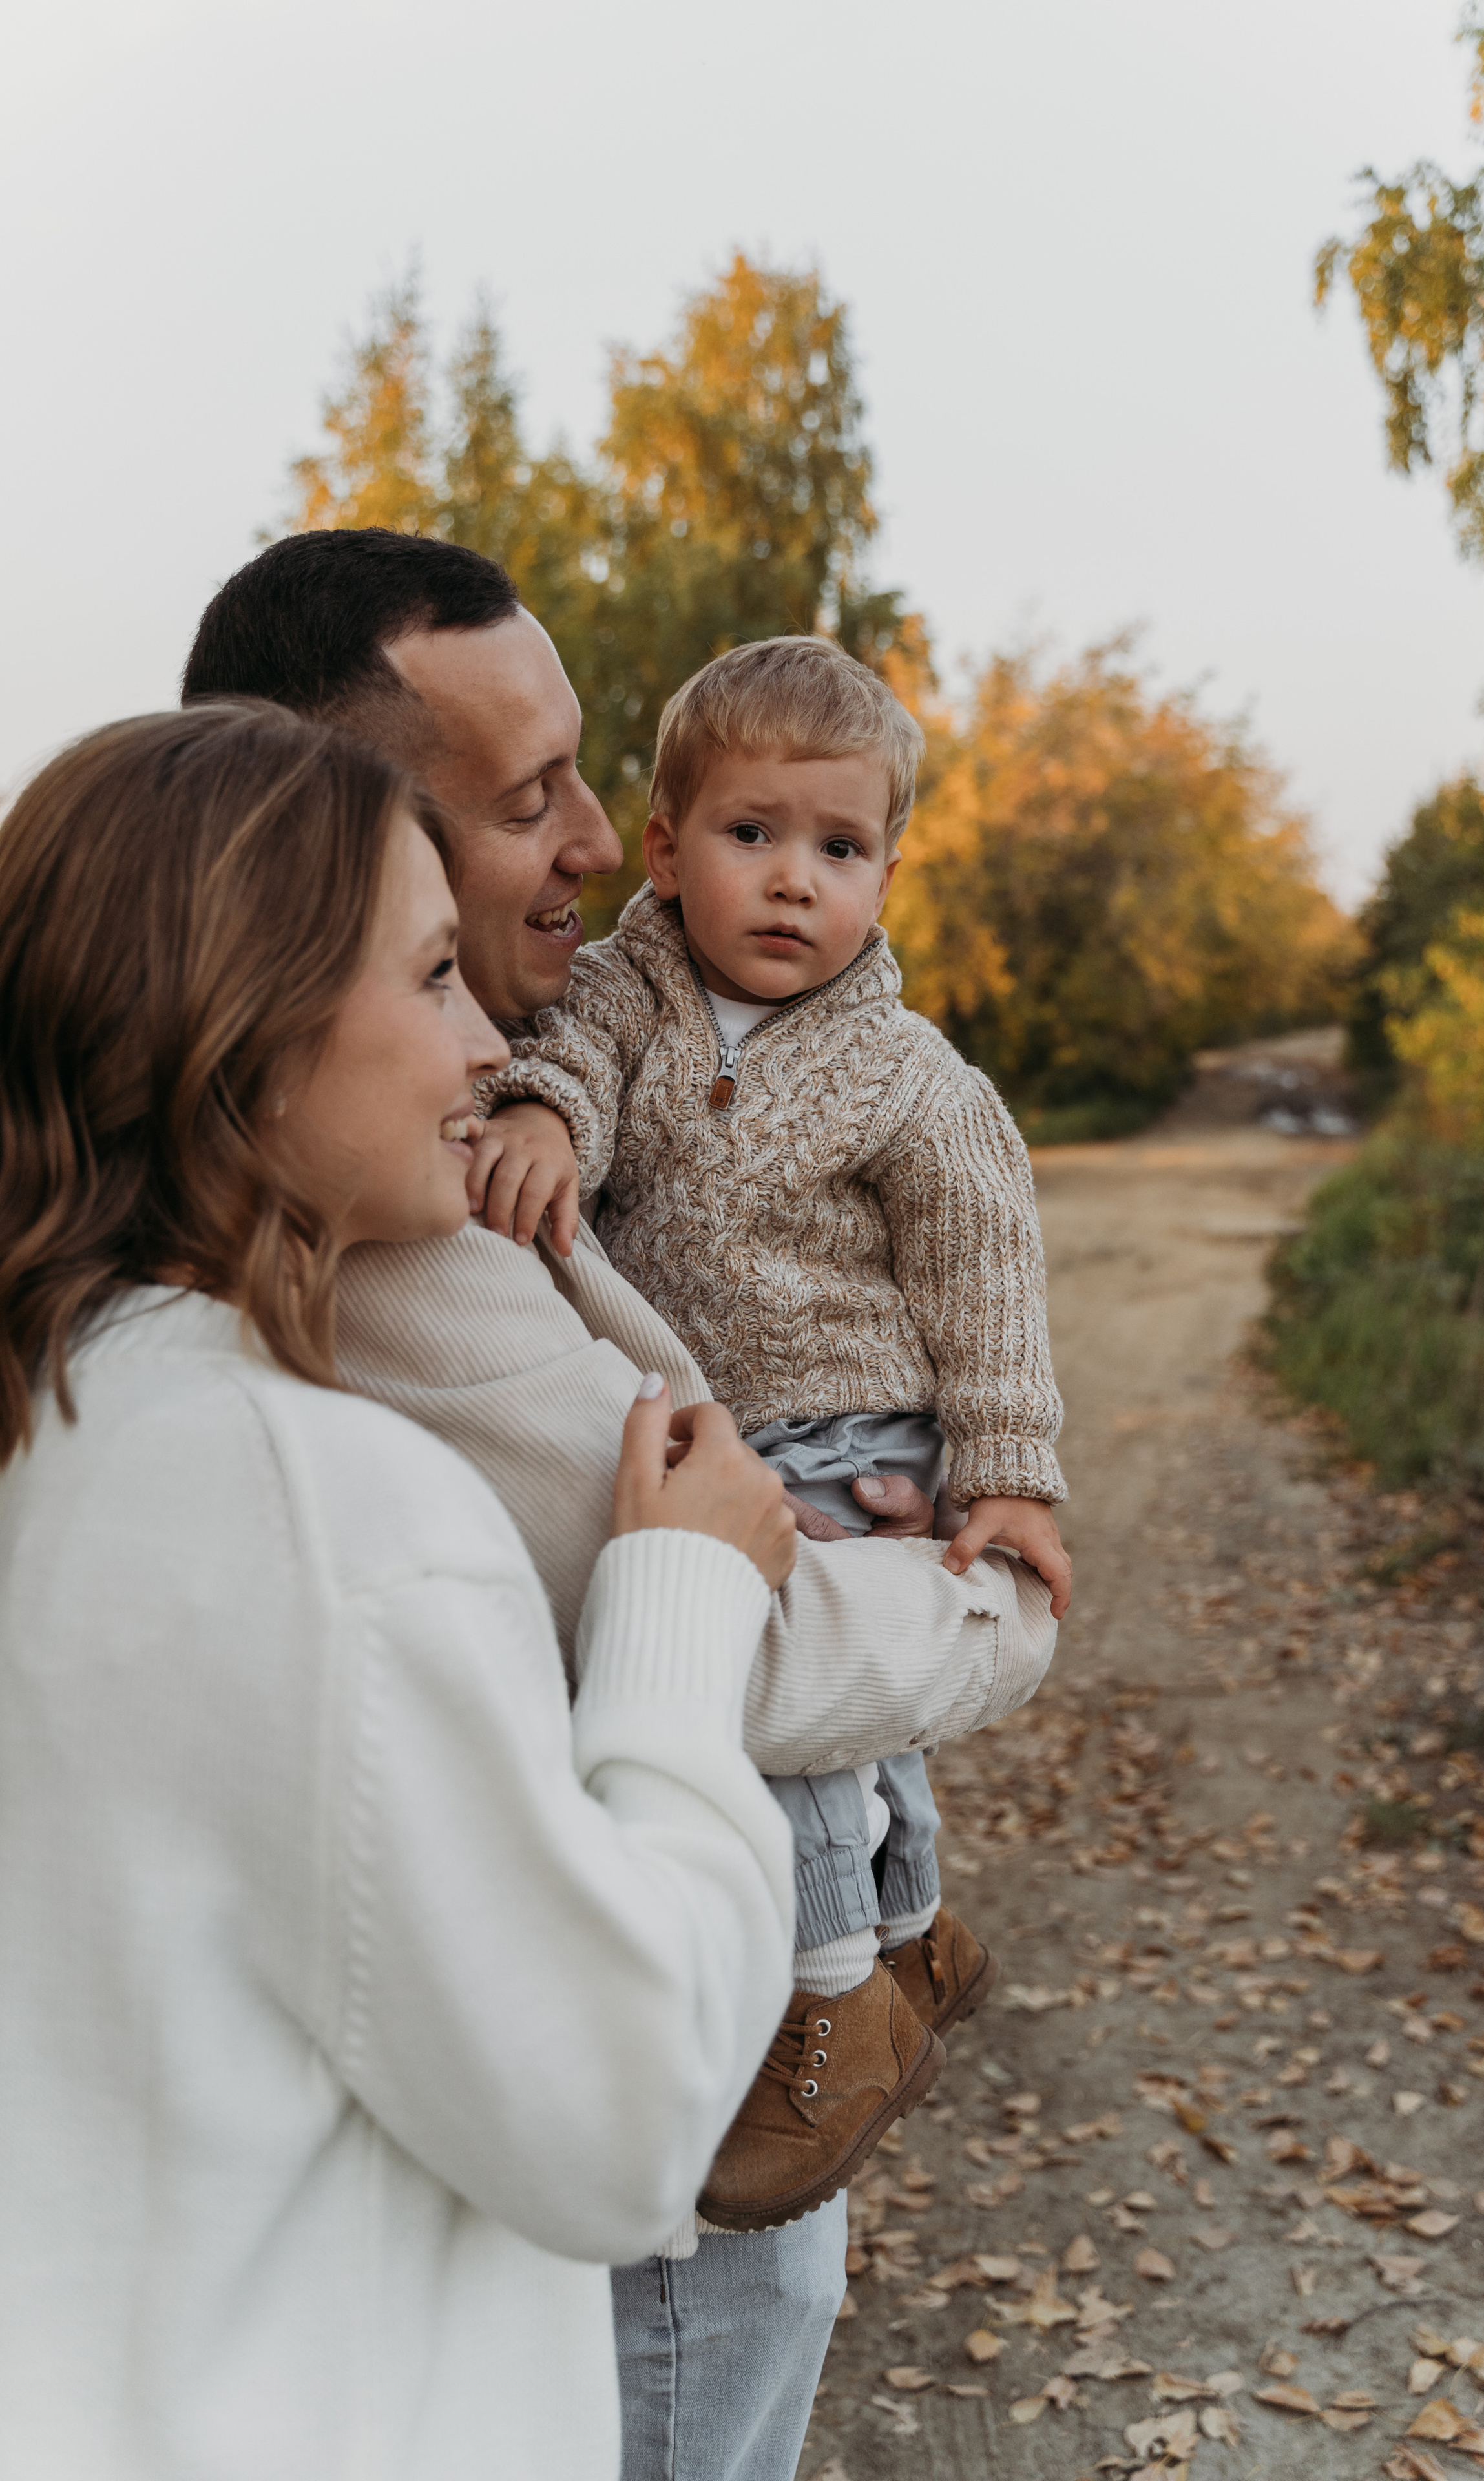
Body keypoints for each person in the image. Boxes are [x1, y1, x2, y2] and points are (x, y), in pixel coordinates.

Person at [181, 530, 1061, 2481]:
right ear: (335, 846)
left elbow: (973, 1257)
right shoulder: (409, 1250)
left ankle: (889, 1948)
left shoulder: (804, 1084)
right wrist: (1001, 1603)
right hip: (653, 2102)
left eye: (589, 772)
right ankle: (870, 1966)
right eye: (531, 799)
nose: (601, 839)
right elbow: (748, 1639)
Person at [0, 702, 800, 2480]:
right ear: (255, 1037)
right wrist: (678, 1615)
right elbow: (618, 2115)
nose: (480, 1048)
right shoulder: (324, 1512)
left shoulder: (52, 1440)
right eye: (433, 977)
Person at [479, 634, 1072, 2233]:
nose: (792, 882)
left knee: (794, 1704)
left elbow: (985, 1282)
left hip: (850, 1417)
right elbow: (575, 1066)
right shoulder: (622, 986)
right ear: (664, 850)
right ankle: (910, 1939)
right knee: (837, 1710)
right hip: (699, 1413)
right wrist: (542, 1115)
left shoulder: (906, 1077)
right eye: (751, 837)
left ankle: (821, 1990)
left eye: (839, 848)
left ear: (887, 871)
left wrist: (1009, 1474)